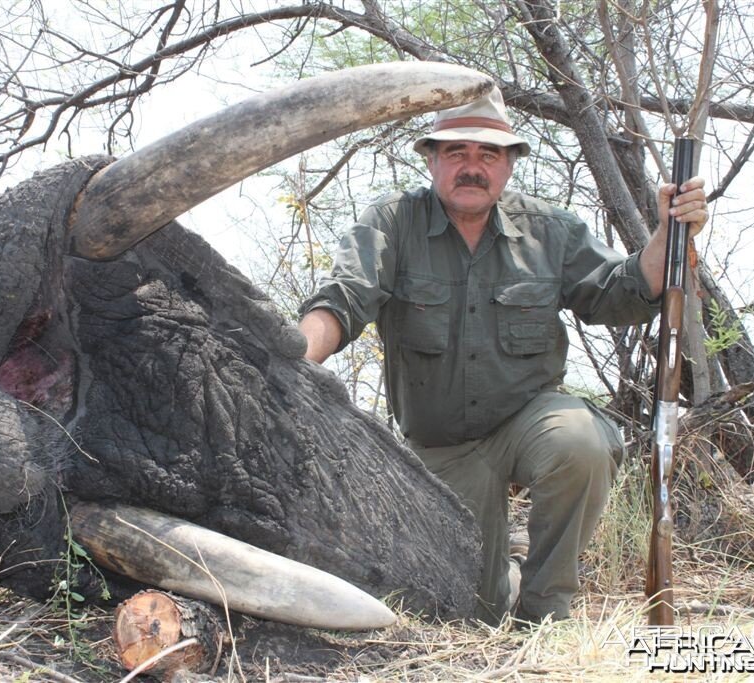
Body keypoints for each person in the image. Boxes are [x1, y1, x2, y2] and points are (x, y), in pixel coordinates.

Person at [297, 86, 708, 626]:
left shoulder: (550, 230)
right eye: (456, 153)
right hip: (442, 446)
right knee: (470, 616)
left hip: (529, 420)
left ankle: (546, 612)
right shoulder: (392, 220)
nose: (472, 167)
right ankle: (507, 582)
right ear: (430, 159)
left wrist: (668, 232)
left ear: (510, 165)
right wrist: (294, 358)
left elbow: (622, 293)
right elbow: (345, 297)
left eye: (488, 154)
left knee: (581, 442)